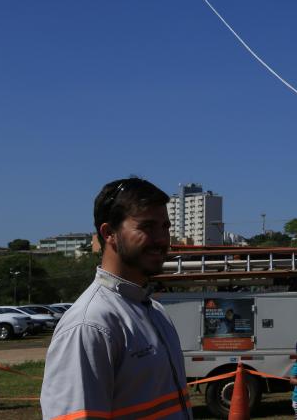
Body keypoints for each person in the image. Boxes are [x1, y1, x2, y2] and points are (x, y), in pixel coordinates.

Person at [40, 177, 192, 419]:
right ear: (109, 233)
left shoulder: (154, 311)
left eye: (165, 227)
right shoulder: (90, 324)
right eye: (147, 227)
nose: (162, 239)